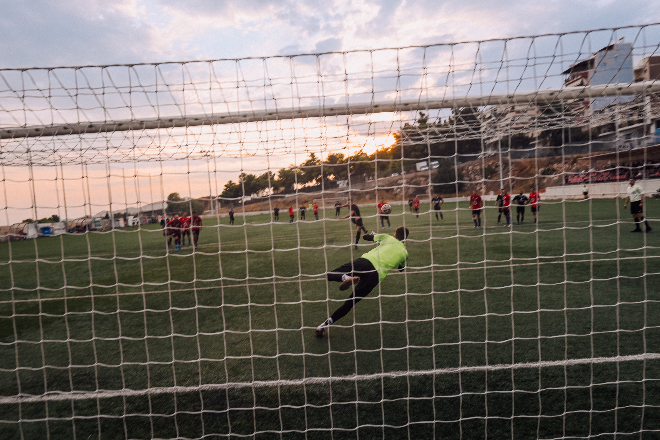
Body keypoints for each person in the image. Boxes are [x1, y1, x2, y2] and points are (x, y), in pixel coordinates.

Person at [315, 226, 409, 338]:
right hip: (375, 276)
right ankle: (323, 326)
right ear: (405, 239)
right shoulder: (405, 253)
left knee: (330, 275)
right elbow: (401, 269)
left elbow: (366, 237)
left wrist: (375, 236)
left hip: (365, 262)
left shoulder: (387, 238)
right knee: (350, 303)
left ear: (395, 234)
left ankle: (345, 277)